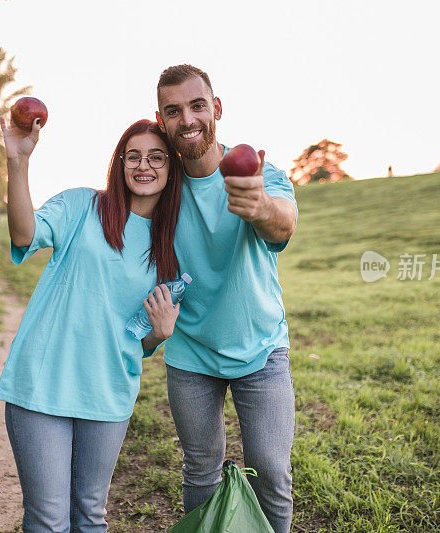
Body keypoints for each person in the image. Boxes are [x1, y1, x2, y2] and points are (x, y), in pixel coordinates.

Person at [0, 115, 184, 532]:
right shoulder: (82, 205)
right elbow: (25, 234)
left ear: (171, 167)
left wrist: (161, 331)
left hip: (108, 390)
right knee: (48, 520)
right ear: (119, 164)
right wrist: (18, 162)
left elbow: (141, 335)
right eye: (132, 156)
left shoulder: (171, 244)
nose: (143, 165)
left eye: (156, 157)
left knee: (90, 516)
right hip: (41, 384)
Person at [154, 64, 298, 533]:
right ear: (162, 120)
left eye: (197, 105)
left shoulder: (254, 171)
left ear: (216, 108)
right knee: (200, 471)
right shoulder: (161, 189)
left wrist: (259, 207)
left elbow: (284, 224)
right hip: (192, 353)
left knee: (272, 473)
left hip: (261, 349)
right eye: (173, 111)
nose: (187, 119)